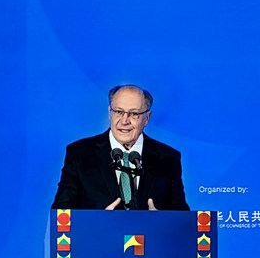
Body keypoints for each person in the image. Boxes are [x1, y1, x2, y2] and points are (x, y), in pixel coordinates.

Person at [52, 85, 189, 210]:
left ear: (147, 118)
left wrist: (162, 220)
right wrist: (96, 221)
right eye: (118, 112)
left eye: (134, 114)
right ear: (110, 112)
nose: (124, 121)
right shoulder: (80, 153)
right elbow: (61, 212)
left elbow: (182, 218)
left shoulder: (168, 158)